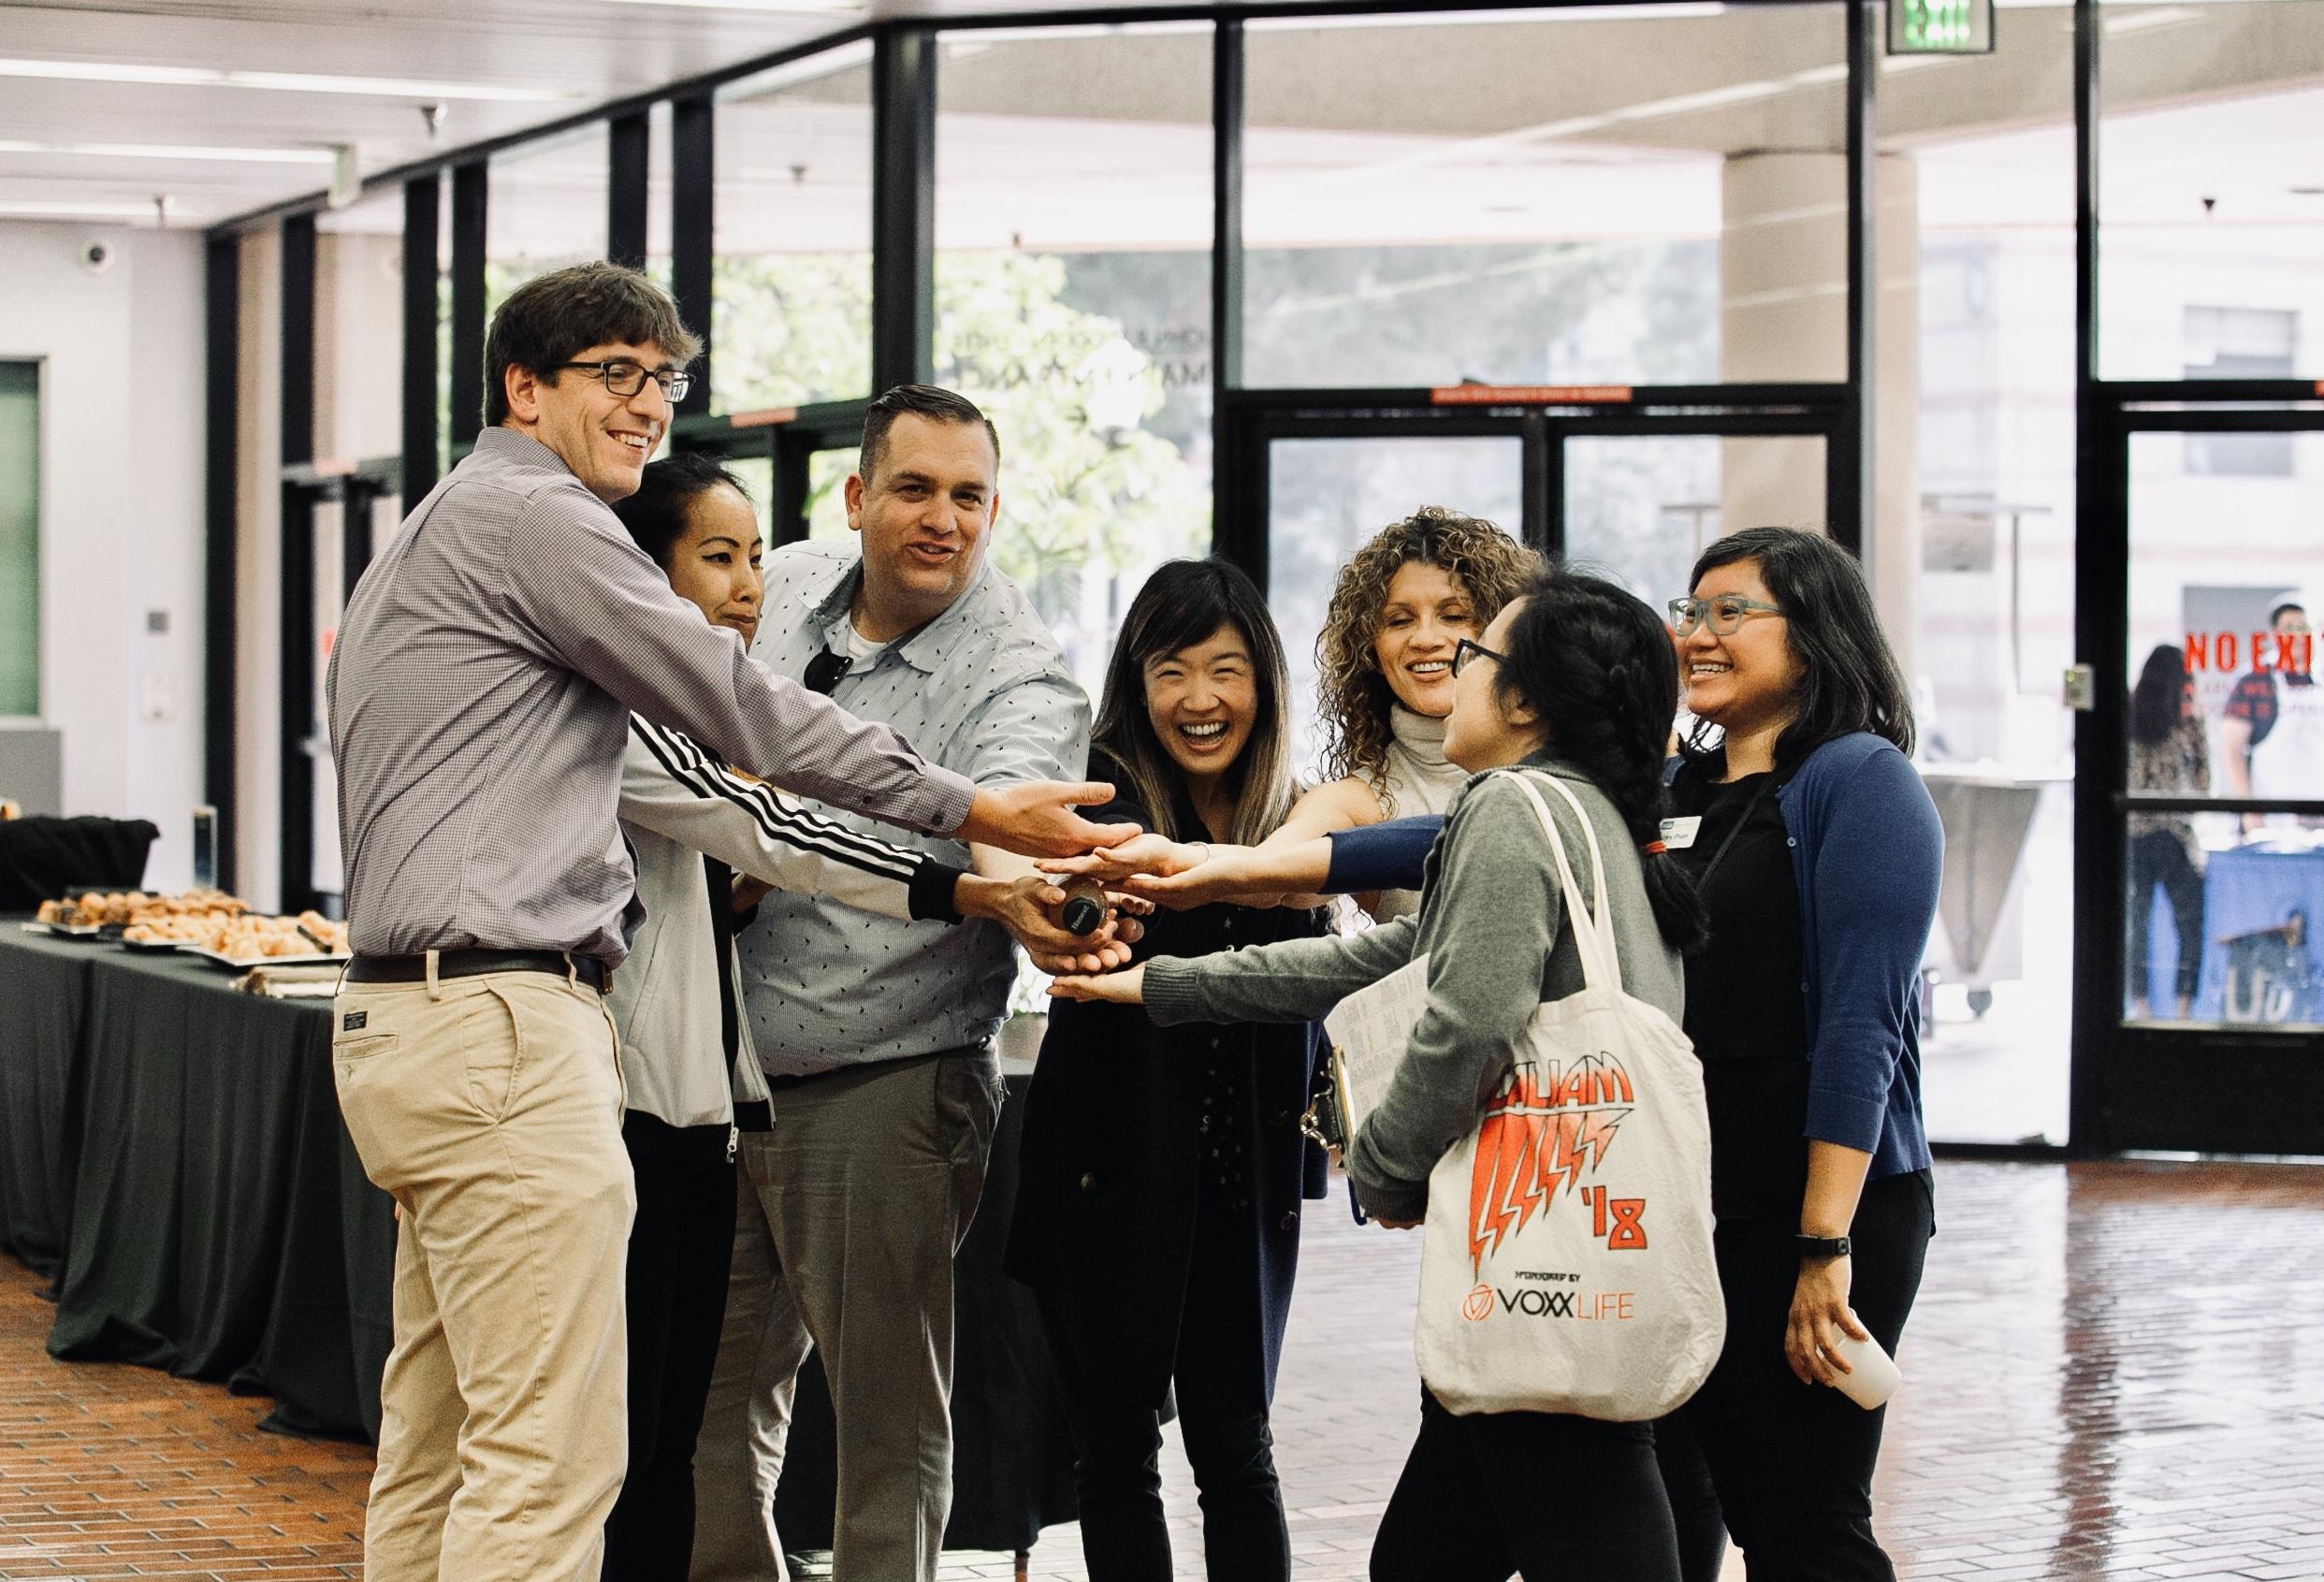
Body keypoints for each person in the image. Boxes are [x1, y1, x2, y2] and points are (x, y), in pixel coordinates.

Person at [324, 266, 1126, 1582]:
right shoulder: (546, 521)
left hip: (408, 1020)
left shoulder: (437, 521)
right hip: (507, 1031)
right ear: (524, 388)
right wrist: (972, 813)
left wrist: (974, 861)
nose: (649, 405)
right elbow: (734, 719)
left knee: (441, 1435)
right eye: (616, 374)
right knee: (549, 1461)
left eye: (664, 378)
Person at [1051, 569, 1708, 1582]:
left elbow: (1465, 1023)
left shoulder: (1509, 806)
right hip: (1566, 1242)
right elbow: (1381, 961)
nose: (1450, 666)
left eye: (1477, 652)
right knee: (1423, 1557)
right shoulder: (1592, 814)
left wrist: (1386, 1164)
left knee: (1580, 1507)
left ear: (1527, 699)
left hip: (1540, 1250)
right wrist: (1156, 985)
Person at [598, 454, 1135, 1582]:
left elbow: (997, 813)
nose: (942, 519)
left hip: (883, 1081)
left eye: (971, 496)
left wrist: (1002, 888)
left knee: (885, 1416)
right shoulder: (781, 586)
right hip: (712, 1091)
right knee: (698, 1401)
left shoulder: (1020, 672)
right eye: (915, 489)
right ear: (857, 497)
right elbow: (738, 814)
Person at [1003, 559, 1328, 1582]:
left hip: (1242, 1185)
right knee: (1117, 1451)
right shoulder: (1103, 795)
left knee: (1239, 1450)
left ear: (1263, 684)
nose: (1200, 700)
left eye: (1226, 671)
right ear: (1136, 683)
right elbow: (1055, 897)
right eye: (1172, 670)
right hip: (1106, 1172)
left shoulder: (1295, 818)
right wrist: (1078, 903)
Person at [1652, 525, 1940, 1582]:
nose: (1699, 633)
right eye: (1691, 611)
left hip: (1817, 1203)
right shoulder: (1670, 788)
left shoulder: (1860, 780)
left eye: (1733, 610)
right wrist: (1244, 868)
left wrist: (1825, 1247)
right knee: (1694, 1490)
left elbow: (1865, 1024)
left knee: (1802, 1520)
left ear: (1812, 639)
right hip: (1692, 1200)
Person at [1053, 509, 1535, 922]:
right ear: (1369, 646)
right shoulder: (1360, 800)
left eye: (1454, 615)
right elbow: (1271, 875)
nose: (1426, 638)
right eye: (1399, 620)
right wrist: (1176, 858)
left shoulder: (1569, 762)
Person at [2127, 645, 2208, 1022]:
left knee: (2134, 925)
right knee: (2189, 925)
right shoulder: (2188, 722)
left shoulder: (2125, 716)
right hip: (2175, 836)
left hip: (2131, 834)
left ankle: (2139, 1008)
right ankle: (2183, 1009)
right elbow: (2203, 785)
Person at [2220, 600, 2318, 830]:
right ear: (2274, 635)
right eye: (2289, 629)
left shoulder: (2319, 678)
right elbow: (2232, 750)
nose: (2297, 636)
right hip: (2273, 819)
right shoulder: (2254, 680)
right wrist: (2249, 810)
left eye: (2303, 628)